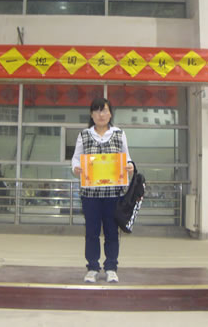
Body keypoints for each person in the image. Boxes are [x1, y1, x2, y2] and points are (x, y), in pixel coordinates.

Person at [72, 97, 133, 284]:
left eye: (105, 110)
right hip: (90, 194)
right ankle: (92, 267)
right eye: (97, 111)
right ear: (91, 114)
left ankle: (111, 267)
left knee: (111, 232)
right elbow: (76, 159)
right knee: (91, 232)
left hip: (113, 194)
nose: (101, 114)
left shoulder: (119, 134)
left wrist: (130, 166)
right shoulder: (84, 135)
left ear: (110, 114)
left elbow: (127, 158)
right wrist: (76, 168)